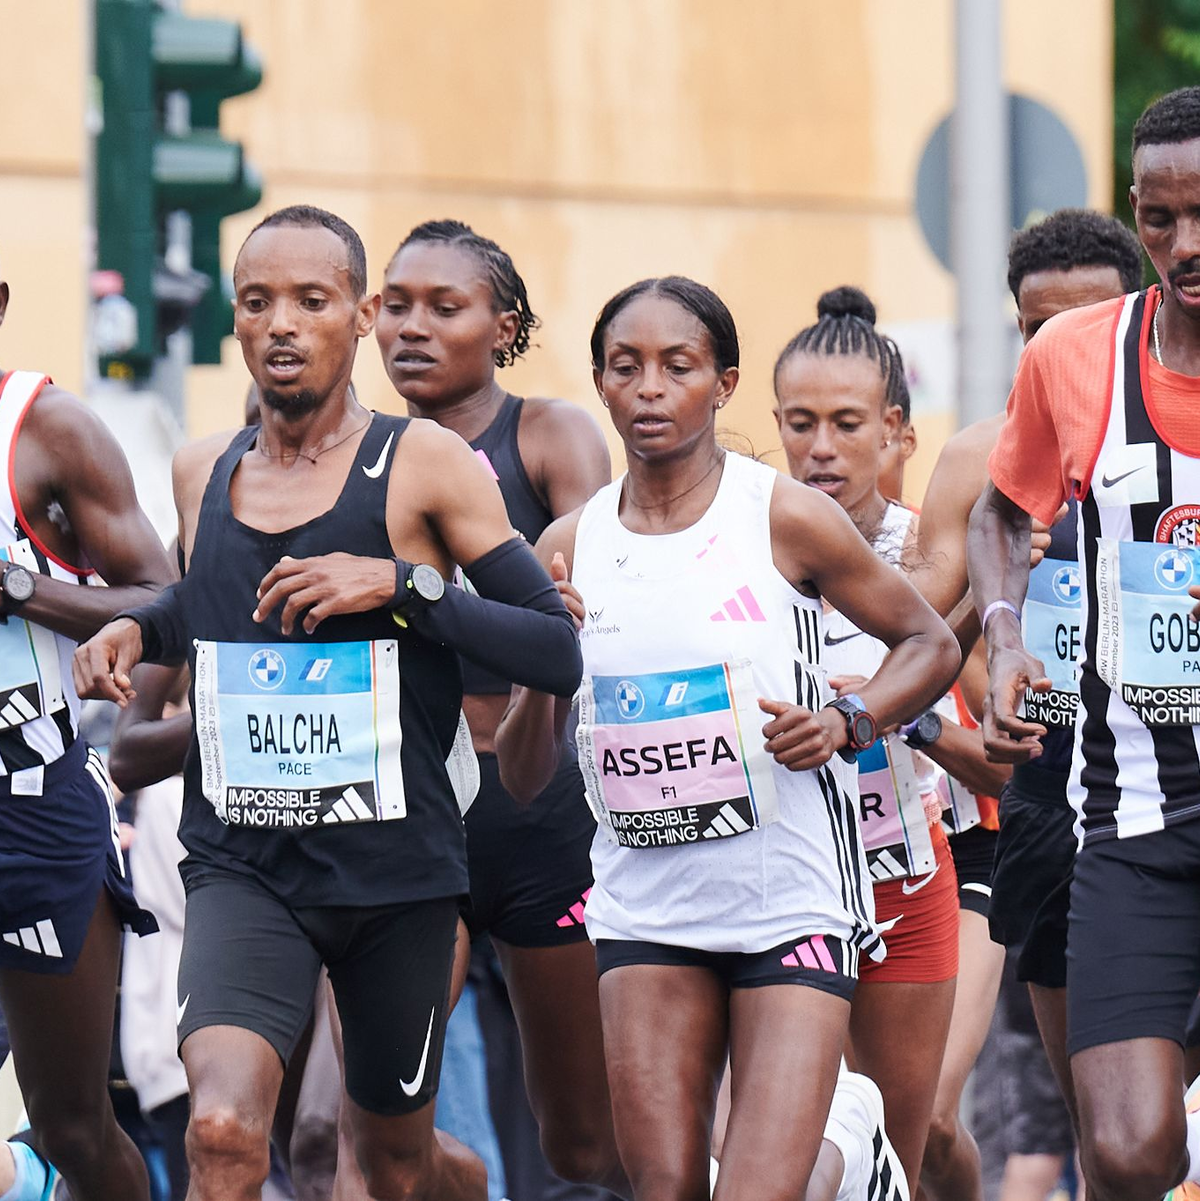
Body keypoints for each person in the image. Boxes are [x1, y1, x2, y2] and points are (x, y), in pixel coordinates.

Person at [73, 204, 584, 1201]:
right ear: (233, 322)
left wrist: (401, 586)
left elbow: (555, 648)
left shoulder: (424, 464)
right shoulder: (201, 469)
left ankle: (462, 1184)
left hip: (398, 877)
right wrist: (143, 629)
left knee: (391, 1164)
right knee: (222, 1130)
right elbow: (215, 597)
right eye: (257, 302)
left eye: (312, 300)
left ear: (363, 314)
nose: (282, 324)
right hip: (245, 867)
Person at [497, 275, 960, 1201]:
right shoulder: (566, 546)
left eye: (679, 365)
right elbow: (520, 774)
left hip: (786, 898)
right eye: (626, 367)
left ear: (723, 382)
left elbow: (929, 641)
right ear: (600, 382)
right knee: (665, 1188)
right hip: (647, 910)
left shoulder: (781, 515)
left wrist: (846, 721)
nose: (651, 388)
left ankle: (853, 1148)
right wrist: (550, 670)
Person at [968, 87, 1200, 1201]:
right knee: (1126, 1148)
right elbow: (1003, 511)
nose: (1184, 245)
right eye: (1160, 218)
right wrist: (1005, 634)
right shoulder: (1071, 356)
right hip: (1133, 817)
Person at [374, 219, 624, 1196]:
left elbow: (592, 605)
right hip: (408, 809)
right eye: (396, 305)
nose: (414, 327)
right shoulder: (348, 448)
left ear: (503, 325)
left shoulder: (547, 435)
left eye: (446, 307)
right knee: (362, 1125)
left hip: (539, 812)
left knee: (585, 1146)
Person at [906, 210, 1142, 1199]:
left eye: (1089, 323)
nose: (1067, 350)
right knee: (1098, 1110)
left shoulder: (1178, 436)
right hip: (1046, 797)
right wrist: (998, 597)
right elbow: (919, 640)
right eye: (1042, 330)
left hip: (1176, 779)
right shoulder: (979, 459)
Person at [773, 286, 1009, 1197]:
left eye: (844, 423)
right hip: (790, 883)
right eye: (800, 424)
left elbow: (997, 760)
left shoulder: (932, 558)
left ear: (898, 434)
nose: (820, 448)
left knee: (926, 1134)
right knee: (789, 1147)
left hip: (935, 856)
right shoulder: (745, 549)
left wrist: (891, 711)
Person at [0, 256, 174, 1200]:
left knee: (72, 1122)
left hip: (34, 813)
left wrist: (18, 586)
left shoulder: (43, 427)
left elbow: (163, 594)